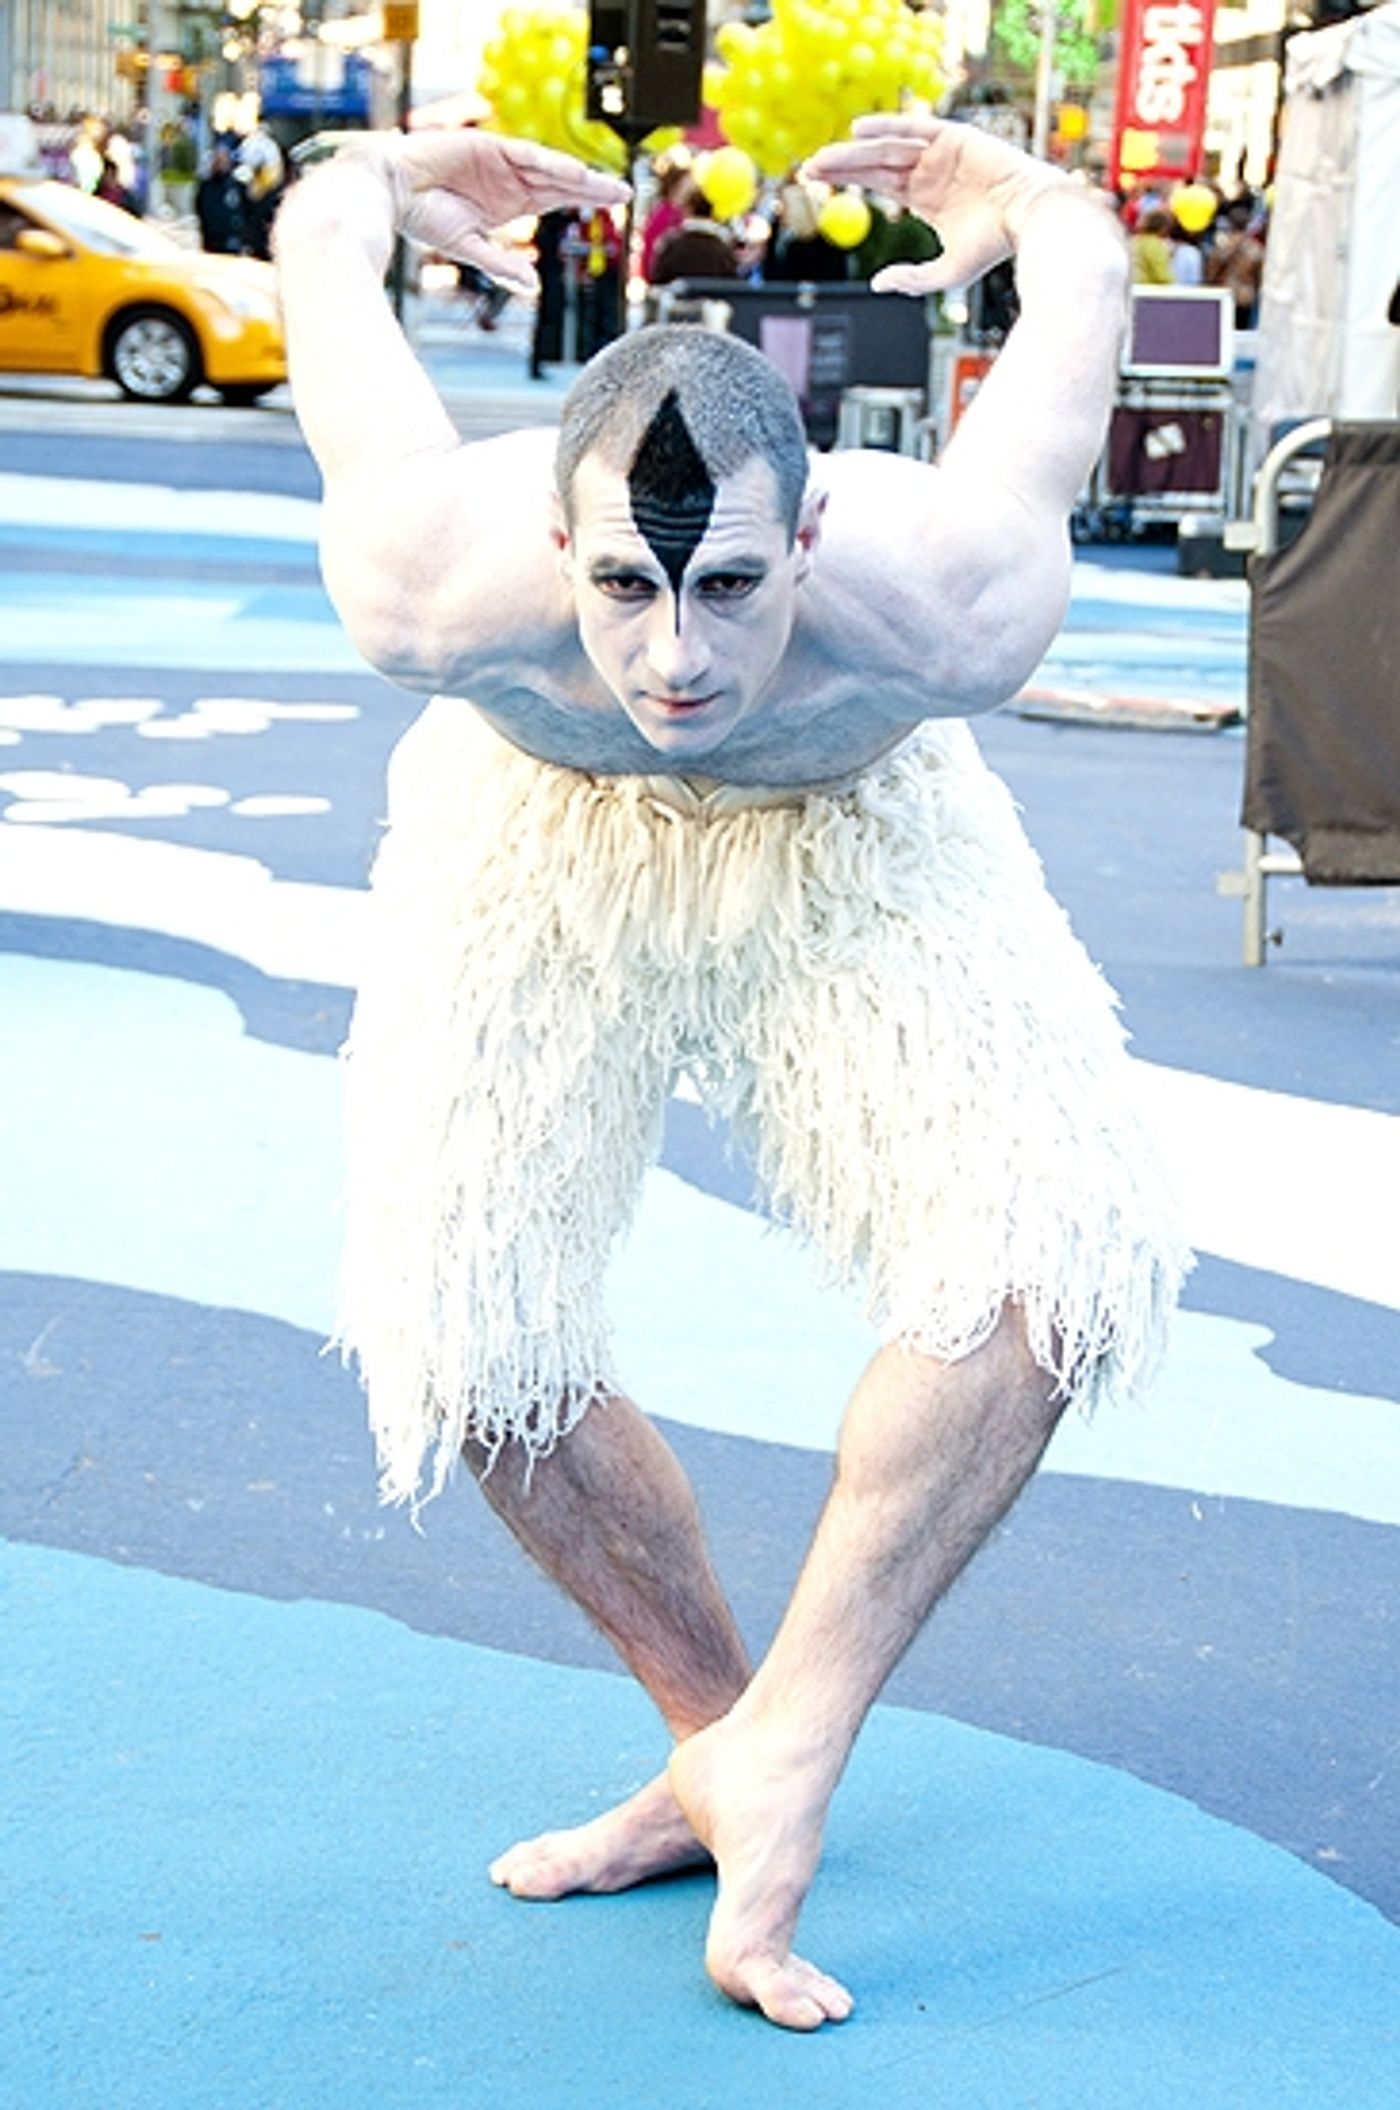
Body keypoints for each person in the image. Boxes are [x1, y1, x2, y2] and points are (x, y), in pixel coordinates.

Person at [273, 115, 1187, 2033]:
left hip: (857, 829)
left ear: (822, 532)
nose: (679, 658)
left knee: (1062, 1255)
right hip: (532, 828)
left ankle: (793, 1741)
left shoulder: (961, 591)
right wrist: (379, 177)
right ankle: (720, 1740)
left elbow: (1086, 273)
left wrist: (1025, 205)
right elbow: (323, 250)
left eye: (735, 589)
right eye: (624, 588)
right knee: (464, 1336)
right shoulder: (423, 580)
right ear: (551, 537)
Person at [195, 145, 246, 254]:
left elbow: (246, 210)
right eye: (217, 160)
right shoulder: (206, 187)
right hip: (212, 242)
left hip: (232, 242)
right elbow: (200, 208)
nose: (220, 164)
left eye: (223, 160)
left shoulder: (238, 187)